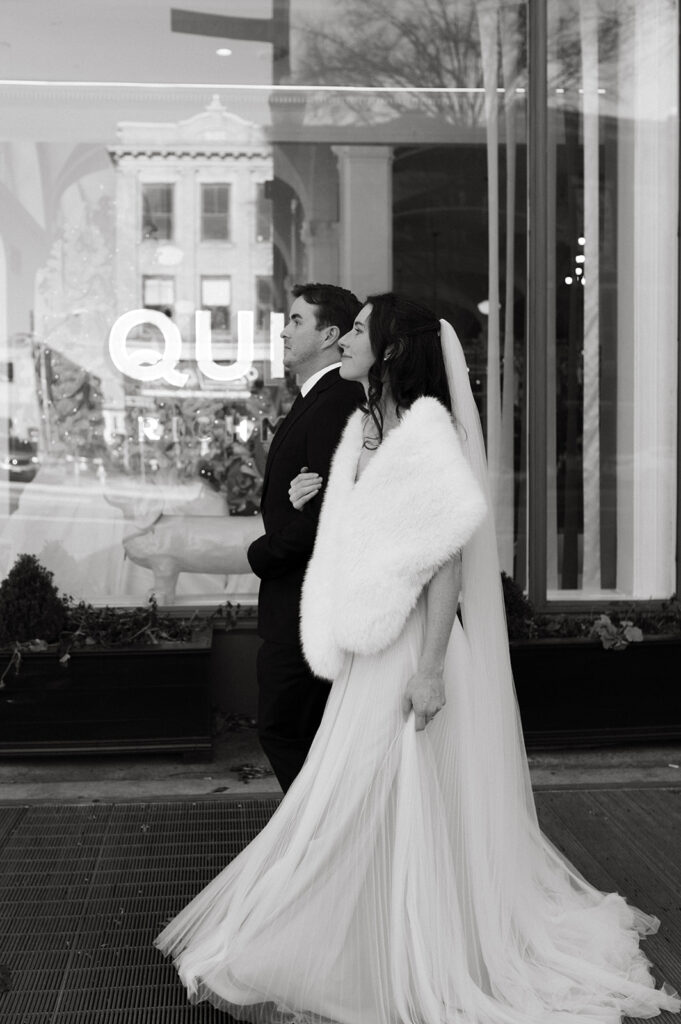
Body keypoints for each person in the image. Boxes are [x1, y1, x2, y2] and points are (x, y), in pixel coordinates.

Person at [156, 294, 680, 1024]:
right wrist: (316, 499)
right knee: (359, 802)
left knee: (384, 801)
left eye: (362, 331)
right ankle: (356, 929)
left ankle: (400, 947)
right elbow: (363, 534)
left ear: (393, 350)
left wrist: (430, 668)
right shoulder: (370, 425)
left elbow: (444, 569)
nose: (349, 340)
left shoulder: (426, 434)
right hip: (372, 647)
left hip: (411, 651)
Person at [246, 282, 363, 793]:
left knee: (284, 728)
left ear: (330, 334)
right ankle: (319, 845)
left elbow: (330, 518)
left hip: (306, 605)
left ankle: (320, 843)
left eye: (297, 321)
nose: (285, 330)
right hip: (299, 602)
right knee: (302, 731)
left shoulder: (337, 401)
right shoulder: (316, 398)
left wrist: (262, 553)